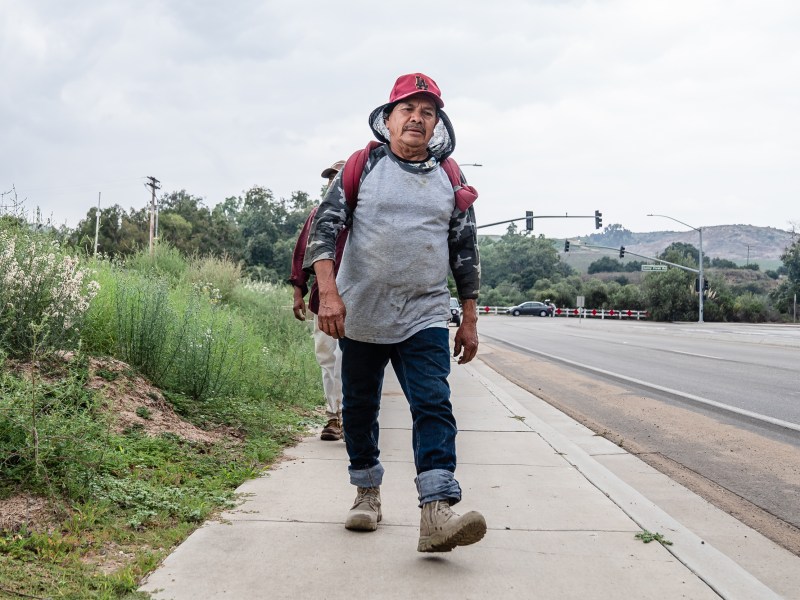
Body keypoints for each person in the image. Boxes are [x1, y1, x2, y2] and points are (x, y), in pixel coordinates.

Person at [303, 72, 486, 552]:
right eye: (408, 109)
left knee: (433, 403)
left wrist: (469, 318)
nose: (417, 119)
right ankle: (367, 491)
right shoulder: (363, 167)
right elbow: (324, 231)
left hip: (424, 312)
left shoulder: (450, 177)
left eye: (428, 112)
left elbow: (465, 251)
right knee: (360, 408)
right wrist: (328, 295)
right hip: (360, 313)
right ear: (389, 119)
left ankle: (436, 511)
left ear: (437, 124)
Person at [289, 159, 347, 441]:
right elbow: (303, 253)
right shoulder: (317, 214)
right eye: (331, 178)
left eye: (339, 177)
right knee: (327, 357)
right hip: (322, 298)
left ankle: (351, 414)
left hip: (356, 299)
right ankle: (333, 416)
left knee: (348, 360)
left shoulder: (360, 215)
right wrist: (297, 292)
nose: (333, 182)